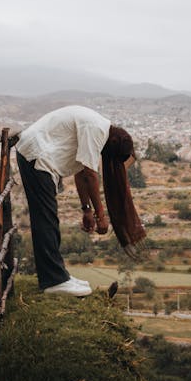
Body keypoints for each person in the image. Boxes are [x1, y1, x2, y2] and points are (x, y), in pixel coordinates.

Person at [16, 105, 146, 297]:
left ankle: (59, 276)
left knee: (47, 219)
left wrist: (86, 209)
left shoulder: (97, 128)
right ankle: (53, 281)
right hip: (37, 156)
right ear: (113, 145)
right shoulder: (97, 130)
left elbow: (80, 173)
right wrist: (101, 216)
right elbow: (90, 175)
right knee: (46, 220)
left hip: (38, 156)